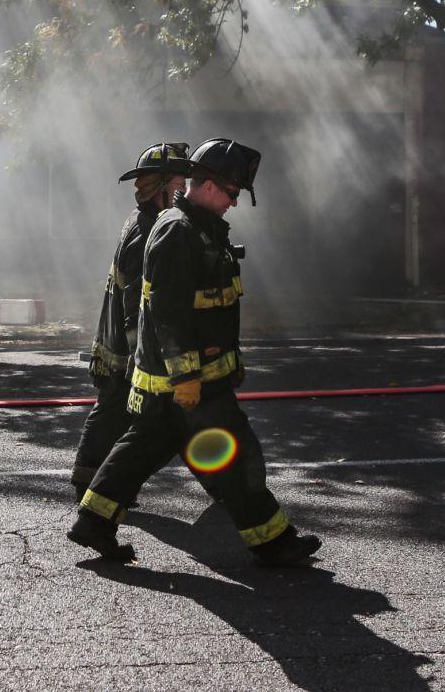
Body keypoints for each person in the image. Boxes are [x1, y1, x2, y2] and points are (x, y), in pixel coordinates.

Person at [68, 137, 322, 568]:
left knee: (139, 451)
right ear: (206, 185)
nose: (234, 203)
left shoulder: (196, 228)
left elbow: (213, 309)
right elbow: (167, 311)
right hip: (188, 383)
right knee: (236, 453)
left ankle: (94, 521)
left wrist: (232, 360)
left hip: (179, 383)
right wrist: (186, 375)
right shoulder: (177, 230)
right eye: (232, 193)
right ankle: (273, 542)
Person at [70, 141, 193, 498]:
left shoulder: (143, 222)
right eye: (179, 186)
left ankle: (94, 487)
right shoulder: (149, 233)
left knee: (119, 417)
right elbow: (138, 304)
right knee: (123, 417)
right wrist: (143, 358)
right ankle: (93, 490)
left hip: (117, 350)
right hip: (125, 353)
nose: (185, 193)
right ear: (159, 190)